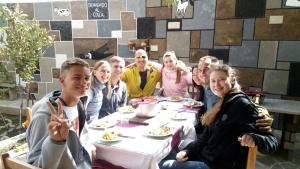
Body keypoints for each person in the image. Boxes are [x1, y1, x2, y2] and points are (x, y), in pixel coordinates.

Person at [160, 64, 278, 169]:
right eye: (213, 81)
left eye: (221, 79)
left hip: (217, 165)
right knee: (166, 154)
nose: (216, 84)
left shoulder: (241, 104)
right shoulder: (220, 103)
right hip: (206, 158)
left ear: (231, 81)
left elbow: (272, 142)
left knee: (159, 165)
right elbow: (204, 139)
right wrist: (188, 151)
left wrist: (254, 139)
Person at [26, 58, 94, 169]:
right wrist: (55, 142)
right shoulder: (45, 116)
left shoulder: (79, 105)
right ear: (62, 80)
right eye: (77, 78)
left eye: (87, 78)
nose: (84, 82)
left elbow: (82, 137)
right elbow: (34, 164)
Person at [193, 56, 273, 134]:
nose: (202, 73)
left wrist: (263, 113)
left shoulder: (220, 91)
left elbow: (243, 102)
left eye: (206, 69)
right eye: (199, 70)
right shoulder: (206, 88)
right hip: (209, 133)